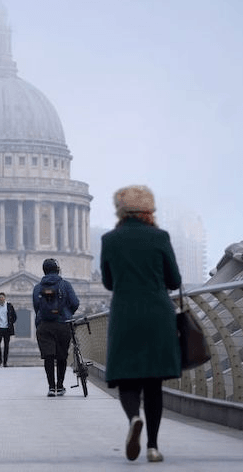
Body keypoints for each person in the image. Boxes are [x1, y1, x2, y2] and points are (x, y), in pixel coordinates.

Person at [101, 185, 182, 463]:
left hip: (125, 314)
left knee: (127, 378)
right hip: (158, 314)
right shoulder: (160, 237)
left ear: (120, 210)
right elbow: (175, 280)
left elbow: (108, 282)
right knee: (153, 383)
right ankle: (153, 446)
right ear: (149, 209)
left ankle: (134, 418)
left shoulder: (110, 239)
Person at [32, 258, 80, 397]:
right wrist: (66, 313)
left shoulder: (38, 287)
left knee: (48, 356)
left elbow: (36, 306)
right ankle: (60, 386)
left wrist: (43, 317)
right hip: (63, 324)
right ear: (57, 269)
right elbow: (75, 303)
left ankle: (51, 387)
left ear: (44, 270)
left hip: (44, 325)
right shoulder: (65, 285)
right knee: (61, 356)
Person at [0, 292, 17, 367]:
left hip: (7, 329)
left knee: (6, 345)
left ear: (4, 298)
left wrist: (10, 323)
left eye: (2, 297)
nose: (1, 299)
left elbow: (14, 316)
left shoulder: (9, 305)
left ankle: (5, 362)